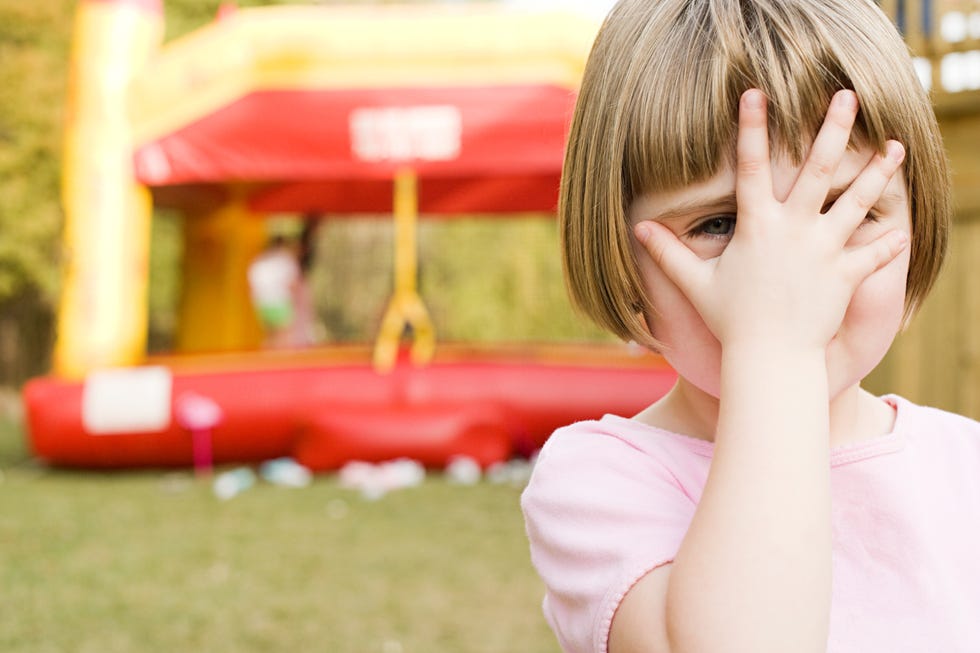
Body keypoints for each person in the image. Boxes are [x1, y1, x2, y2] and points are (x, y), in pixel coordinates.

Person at [520, 1, 980, 652]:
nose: (789, 271)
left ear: (919, 223)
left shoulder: (966, 468)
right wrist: (775, 348)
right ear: (619, 255)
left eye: (842, 209)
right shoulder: (601, 479)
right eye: (719, 224)